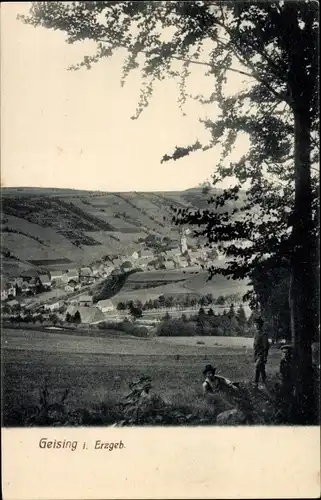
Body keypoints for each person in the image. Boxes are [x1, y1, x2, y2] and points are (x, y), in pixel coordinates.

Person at [253, 317, 269, 389]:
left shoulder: (263, 334)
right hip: (257, 354)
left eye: (257, 324)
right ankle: (264, 382)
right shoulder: (256, 333)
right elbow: (255, 345)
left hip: (262, 354)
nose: (255, 325)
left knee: (257, 367)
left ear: (260, 325)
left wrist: (265, 357)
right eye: (255, 324)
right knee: (261, 369)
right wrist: (255, 356)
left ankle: (255, 383)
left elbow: (266, 347)